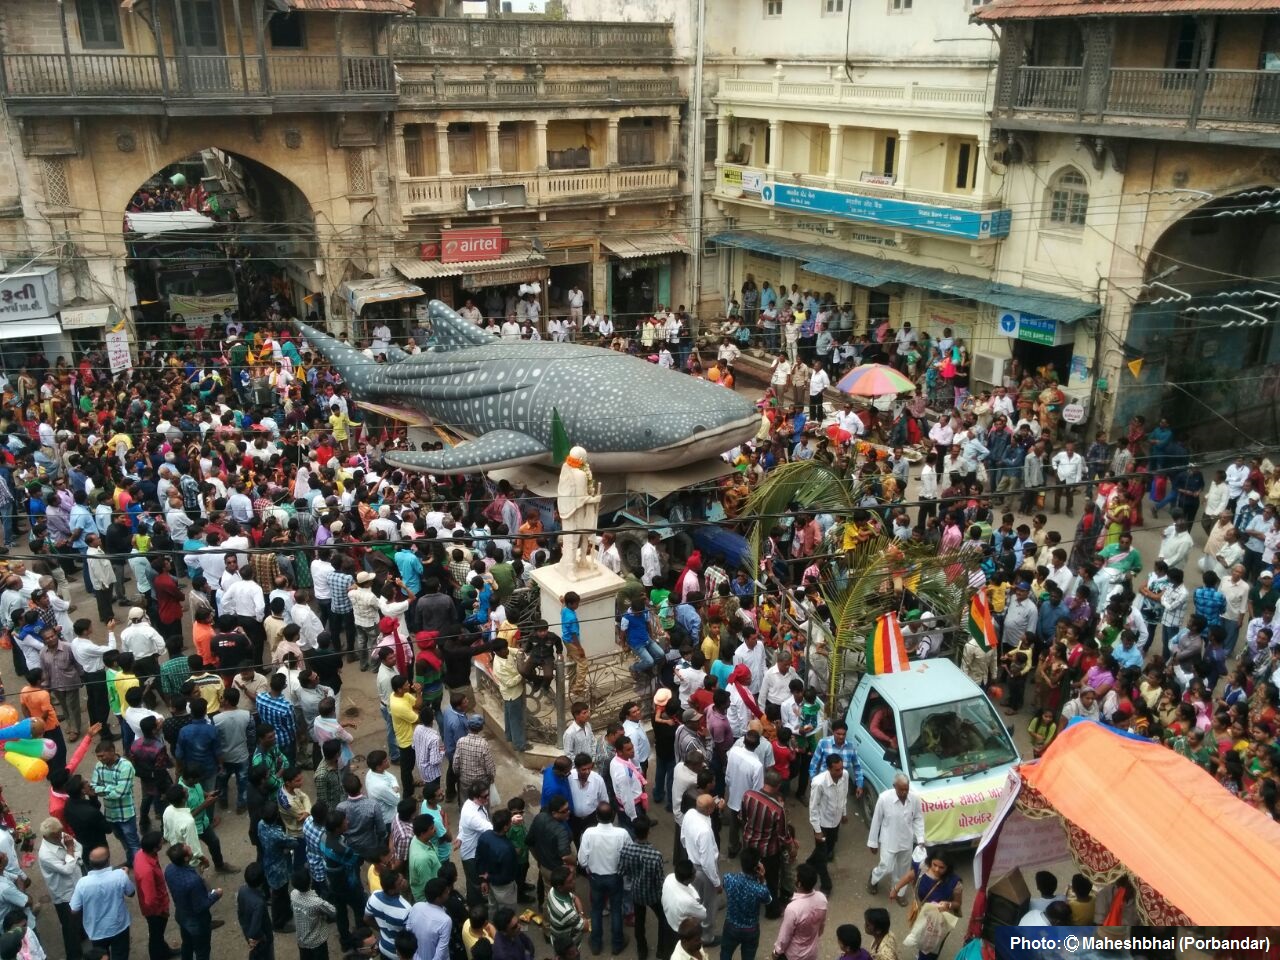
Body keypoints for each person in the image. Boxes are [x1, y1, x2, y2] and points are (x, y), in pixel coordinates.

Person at [578, 803, 629, 956]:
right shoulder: (622, 834)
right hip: (615, 877)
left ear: (596, 816)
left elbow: (582, 860)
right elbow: (629, 854)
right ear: (613, 816)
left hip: (596, 878)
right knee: (616, 909)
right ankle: (617, 944)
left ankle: (596, 944)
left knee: (596, 910)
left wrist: (589, 868)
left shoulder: (588, 833)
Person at [890, 851, 963, 960]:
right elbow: (909, 876)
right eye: (934, 865)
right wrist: (896, 889)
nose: (937, 869)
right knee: (921, 937)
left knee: (930, 949)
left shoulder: (955, 883)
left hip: (939, 920)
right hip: (922, 913)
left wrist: (948, 904)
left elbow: (957, 903)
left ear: (948, 868)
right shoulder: (923, 868)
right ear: (930, 862)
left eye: (941, 867)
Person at [70, 846, 135, 960]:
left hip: (97, 931)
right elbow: (131, 893)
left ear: (90, 863)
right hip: (119, 926)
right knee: (121, 956)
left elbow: (74, 909)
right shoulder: (120, 875)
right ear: (108, 860)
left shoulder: (82, 883)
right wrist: (125, 875)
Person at [867, 773, 925, 899]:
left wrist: (920, 839)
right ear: (894, 786)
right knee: (886, 867)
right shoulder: (884, 798)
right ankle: (874, 877)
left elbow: (918, 818)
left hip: (906, 840)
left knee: (903, 870)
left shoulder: (914, 799)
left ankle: (899, 892)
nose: (904, 792)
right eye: (901, 789)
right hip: (889, 839)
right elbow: (876, 820)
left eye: (906, 789)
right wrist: (873, 842)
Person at [164, 842, 222, 960]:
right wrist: (216, 895)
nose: (190, 848)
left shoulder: (169, 869)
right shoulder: (193, 882)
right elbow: (201, 906)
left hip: (181, 915)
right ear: (185, 858)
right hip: (197, 923)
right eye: (188, 849)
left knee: (187, 944)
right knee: (202, 951)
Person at [38, 816, 86, 960]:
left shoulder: (61, 835)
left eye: (61, 832)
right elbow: (67, 870)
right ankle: (74, 956)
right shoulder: (45, 854)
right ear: (48, 836)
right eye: (58, 835)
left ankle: (83, 936)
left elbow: (79, 847)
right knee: (69, 927)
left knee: (81, 915)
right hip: (64, 894)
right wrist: (70, 850)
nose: (62, 836)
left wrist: (72, 855)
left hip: (78, 883)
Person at [807, 754, 848, 894]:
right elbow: (813, 808)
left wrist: (844, 813)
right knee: (823, 856)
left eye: (841, 768)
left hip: (835, 822)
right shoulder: (819, 783)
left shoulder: (845, 776)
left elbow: (844, 795)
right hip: (822, 824)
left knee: (827, 849)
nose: (840, 772)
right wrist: (817, 831)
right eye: (837, 770)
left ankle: (808, 864)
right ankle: (826, 885)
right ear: (829, 769)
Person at [721, 847, 771, 960]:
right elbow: (768, 900)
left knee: (725, 954)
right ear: (757, 867)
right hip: (750, 930)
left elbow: (725, 884)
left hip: (731, 926)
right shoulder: (760, 890)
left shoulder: (728, 878)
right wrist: (762, 879)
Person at [773, 863, 827, 960]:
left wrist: (776, 952)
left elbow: (785, 936)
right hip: (812, 953)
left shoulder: (793, 908)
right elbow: (821, 927)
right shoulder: (822, 898)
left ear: (799, 884)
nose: (793, 878)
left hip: (794, 955)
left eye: (795, 876)